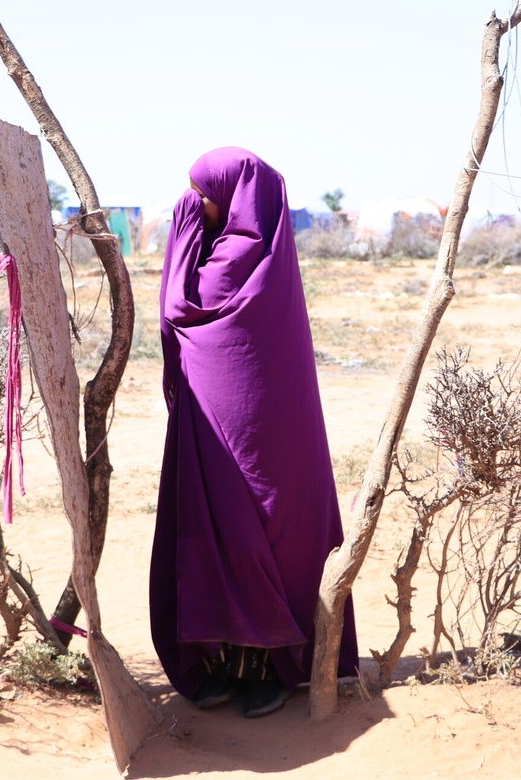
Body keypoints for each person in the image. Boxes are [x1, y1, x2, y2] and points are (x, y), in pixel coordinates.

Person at [149, 146, 359, 718]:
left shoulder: (237, 256)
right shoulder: (274, 250)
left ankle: (258, 670)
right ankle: (256, 670)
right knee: (263, 531)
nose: (198, 202)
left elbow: (181, 309)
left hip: (237, 426)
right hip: (273, 431)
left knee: (235, 526)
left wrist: (184, 231)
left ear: (231, 197)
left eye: (204, 194)